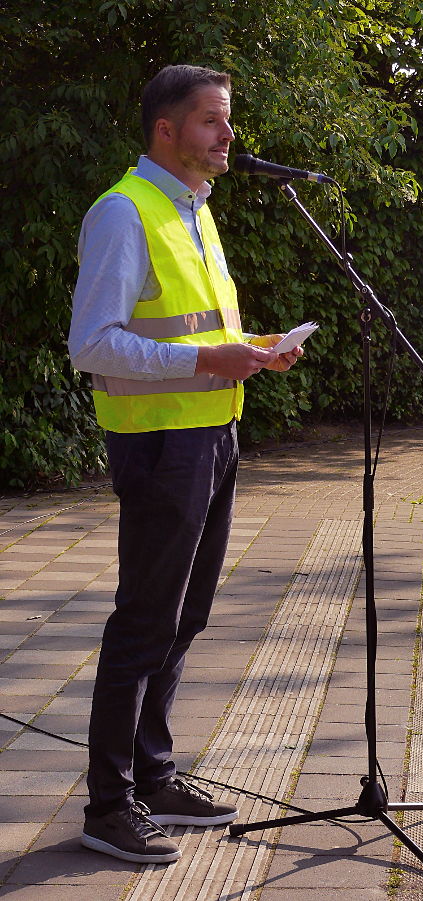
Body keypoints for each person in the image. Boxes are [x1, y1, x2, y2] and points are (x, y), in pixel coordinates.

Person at [68, 64, 303, 865]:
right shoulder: (124, 213)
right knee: (143, 622)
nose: (228, 135)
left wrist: (250, 353)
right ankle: (109, 803)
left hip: (212, 435)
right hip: (161, 445)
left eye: (226, 120)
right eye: (211, 121)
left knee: (186, 615)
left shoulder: (195, 213)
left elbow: (187, 331)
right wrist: (211, 357)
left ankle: (154, 772)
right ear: (166, 130)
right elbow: (92, 343)